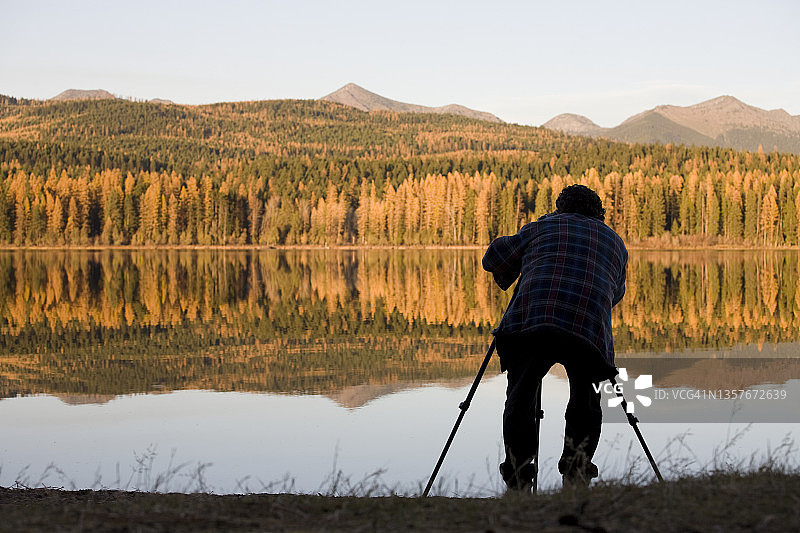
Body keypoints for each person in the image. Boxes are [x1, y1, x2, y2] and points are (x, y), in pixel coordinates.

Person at [482, 184, 627, 490]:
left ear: (561, 208)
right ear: (599, 213)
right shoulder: (615, 242)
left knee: (520, 397)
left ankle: (519, 474)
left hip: (532, 321)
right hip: (587, 327)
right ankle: (576, 470)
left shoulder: (544, 226)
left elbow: (493, 258)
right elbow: (616, 292)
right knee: (586, 401)